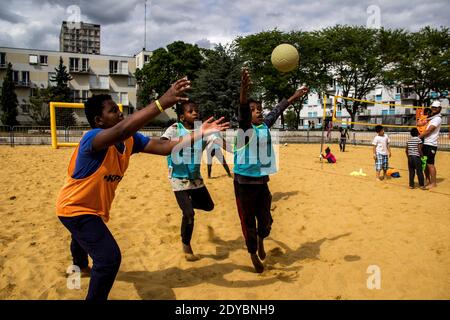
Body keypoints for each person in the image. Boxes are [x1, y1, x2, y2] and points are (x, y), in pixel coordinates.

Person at [56, 78, 229, 300]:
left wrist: (199, 132)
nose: (119, 112)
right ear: (99, 120)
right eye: (112, 111)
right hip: (74, 208)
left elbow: (165, 147)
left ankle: (79, 265)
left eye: (119, 109)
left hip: (94, 209)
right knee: (109, 259)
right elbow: (121, 130)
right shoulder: (92, 139)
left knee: (82, 238)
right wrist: (162, 103)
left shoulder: (129, 140)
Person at [233, 68, 308, 273]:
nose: (259, 111)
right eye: (254, 109)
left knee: (265, 221)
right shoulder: (244, 129)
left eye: (259, 108)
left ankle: (261, 239)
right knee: (247, 221)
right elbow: (242, 109)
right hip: (243, 182)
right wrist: (243, 89)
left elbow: (277, 110)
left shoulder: (265, 126)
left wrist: (294, 95)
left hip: (261, 181)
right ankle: (252, 253)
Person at [161, 101, 227, 261]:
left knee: (209, 206)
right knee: (189, 214)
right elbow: (162, 144)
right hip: (178, 177)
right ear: (182, 116)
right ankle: (186, 246)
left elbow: (219, 143)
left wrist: (238, 149)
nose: (195, 113)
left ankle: (188, 205)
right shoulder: (175, 129)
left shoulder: (202, 130)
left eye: (196, 110)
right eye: (191, 111)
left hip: (195, 177)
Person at [419, 100, 442, 188]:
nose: (433, 109)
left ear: (439, 108)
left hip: (431, 144)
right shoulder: (431, 117)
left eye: (435, 107)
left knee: (430, 164)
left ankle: (433, 183)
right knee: (424, 163)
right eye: (433, 107)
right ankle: (428, 180)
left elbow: (429, 130)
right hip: (426, 143)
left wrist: (418, 137)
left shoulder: (437, 118)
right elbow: (421, 125)